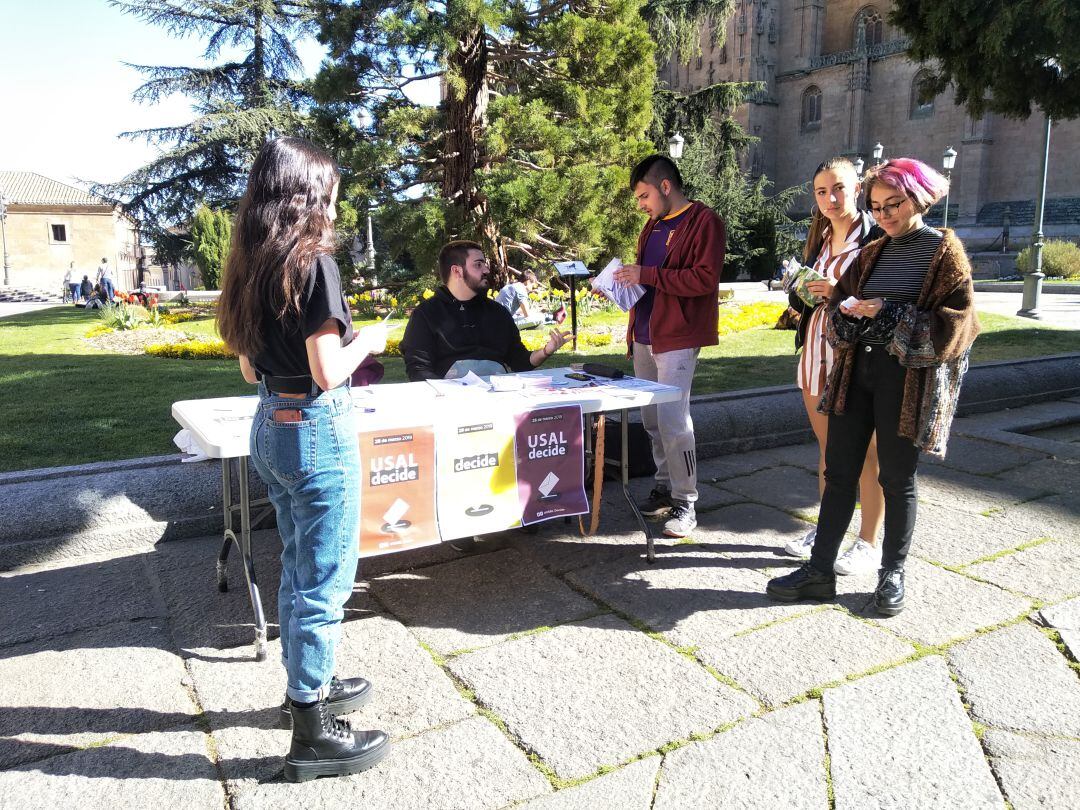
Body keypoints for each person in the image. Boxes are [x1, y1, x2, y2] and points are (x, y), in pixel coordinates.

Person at [215, 136, 391, 782]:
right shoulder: (314, 263)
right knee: (324, 583)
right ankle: (313, 728)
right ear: (310, 196)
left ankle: (308, 683)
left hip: (269, 423)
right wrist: (367, 337)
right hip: (315, 430)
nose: (338, 202)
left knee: (297, 569)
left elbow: (244, 365)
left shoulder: (250, 266)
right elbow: (325, 371)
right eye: (333, 190)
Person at [766, 158, 980, 615]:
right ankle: (820, 571)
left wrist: (889, 312)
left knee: (896, 477)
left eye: (894, 204)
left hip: (905, 380)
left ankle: (891, 575)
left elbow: (959, 326)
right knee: (839, 471)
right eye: (878, 206)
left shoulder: (944, 249)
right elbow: (841, 304)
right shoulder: (872, 253)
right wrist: (848, 312)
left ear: (920, 198)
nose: (884, 214)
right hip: (855, 375)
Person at [782, 157, 886, 575]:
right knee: (829, 452)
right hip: (815, 350)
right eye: (822, 191)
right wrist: (800, 289)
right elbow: (807, 299)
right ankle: (829, 531)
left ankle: (868, 541)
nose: (831, 198)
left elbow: (882, 300)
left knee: (864, 453)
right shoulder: (819, 234)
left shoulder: (877, 236)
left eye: (839, 188)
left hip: (855, 357)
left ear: (857, 187)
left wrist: (837, 291)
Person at [613, 154, 725, 538]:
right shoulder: (652, 227)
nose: (641, 205)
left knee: (674, 421)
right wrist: (623, 281)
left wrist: (644, 274)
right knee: (651, 420)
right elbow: (652, 280)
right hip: (645, 332)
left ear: (665, 186)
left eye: (644, 195)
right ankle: (664, 485)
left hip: (677, 336)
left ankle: (686, 500)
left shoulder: (704, 221)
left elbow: (704, 279)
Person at [400, 240, 568, 381]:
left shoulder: (498, 313)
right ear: (457, 271)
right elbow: (419, 371)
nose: (487, 270)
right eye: (478, 265)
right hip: (451, 404)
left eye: (485, 264)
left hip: (499, 399)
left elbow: (520, 362)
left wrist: (546, 351)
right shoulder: (426, 314)